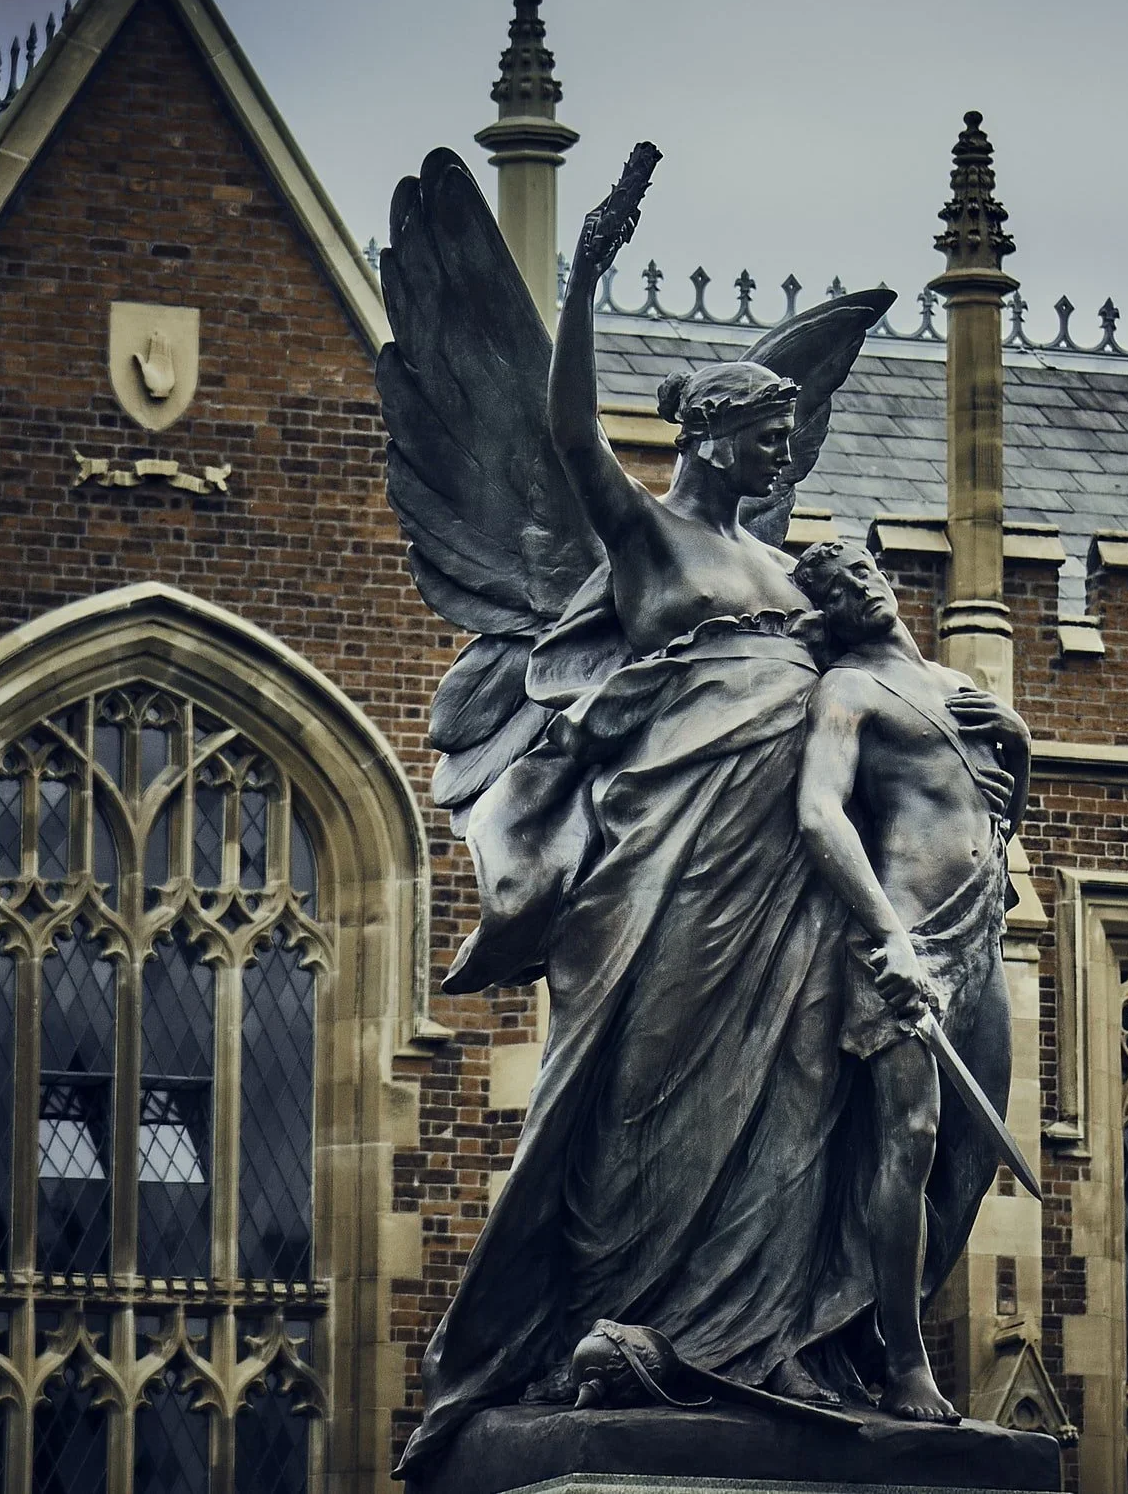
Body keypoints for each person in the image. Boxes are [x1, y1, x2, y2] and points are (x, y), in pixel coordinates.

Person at [400, 177, 876, 1477]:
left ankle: (753, 1337)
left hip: (787, 864)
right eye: (774, 433)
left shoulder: (789, 572)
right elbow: (564, 433)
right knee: (640, 1088)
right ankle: (631, 1315)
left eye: (791, 431)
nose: (790, 454)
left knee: (788, 1100)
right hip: (666, 861)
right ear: (714, 436)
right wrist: (586, 278)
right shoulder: (649, 541)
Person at [792, 537, 1031, 1423]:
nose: (866, 588)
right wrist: (888, 935)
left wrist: (1023, 745)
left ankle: (877, 1328)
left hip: (980, 935)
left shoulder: (955, 690)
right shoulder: (847, 689)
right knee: (910, 1140)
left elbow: (998, 817)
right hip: (904, 942)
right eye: (843, 588)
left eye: (866, 571)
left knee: (970, 1151)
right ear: (831, 618)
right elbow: (821, 813)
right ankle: (903, 1360)